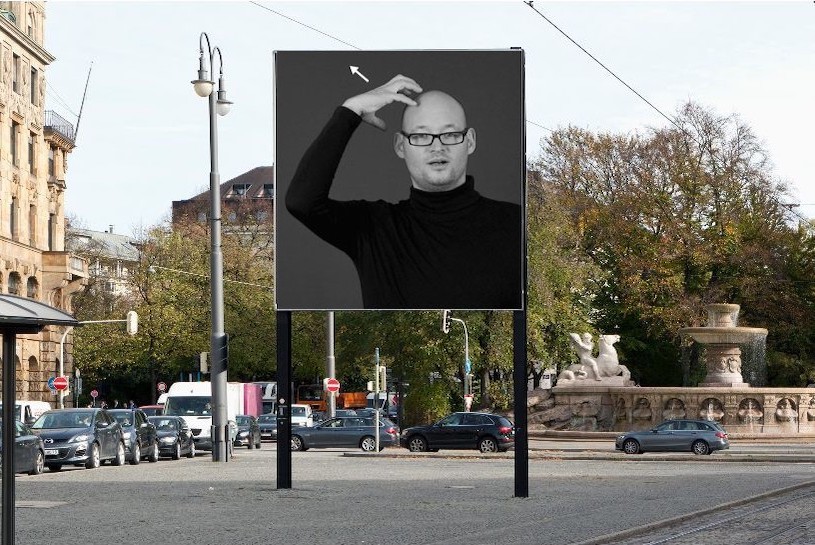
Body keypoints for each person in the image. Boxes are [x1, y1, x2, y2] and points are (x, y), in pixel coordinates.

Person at [286, 75, 522, 309]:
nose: (436, 147)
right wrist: (351, 109)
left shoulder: (517, 224)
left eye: (450, 134)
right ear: (401, 146)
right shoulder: (373, 230)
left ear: (469, 141)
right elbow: (301, 202)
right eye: (421, 136)